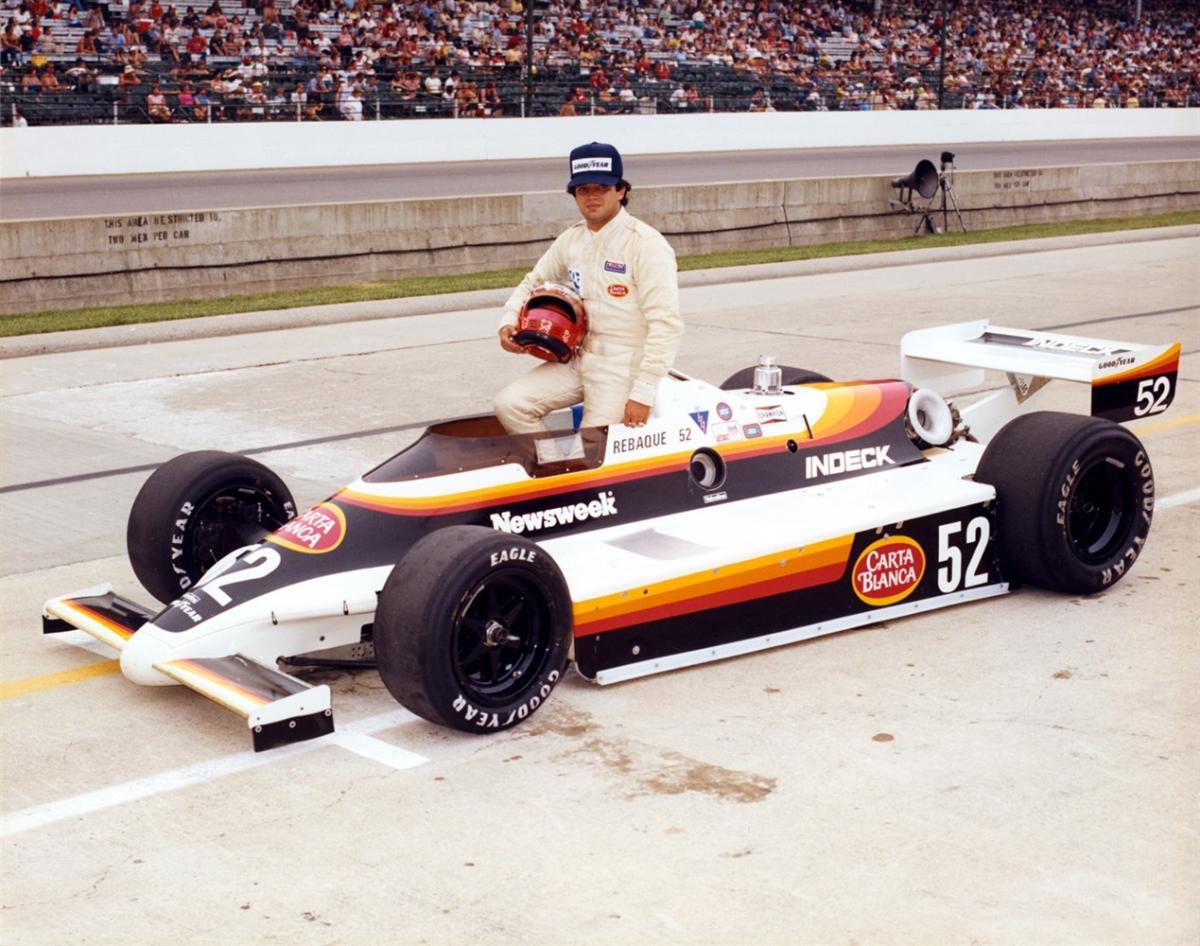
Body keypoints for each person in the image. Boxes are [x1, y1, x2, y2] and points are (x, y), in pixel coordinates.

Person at [494, 141, 681, 434]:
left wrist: (643, 392)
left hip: (623, 367)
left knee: (592, 449)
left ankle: (580, 474)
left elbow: (666, 324)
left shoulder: (646, 244)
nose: (592, 197)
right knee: (510, 404)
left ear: (621, 190)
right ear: (574, 195)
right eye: (583, 190)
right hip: (579, 357)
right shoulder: (572, 239)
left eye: (601, 188)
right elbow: (533, 281)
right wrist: (508, 320)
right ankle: (553, 468)